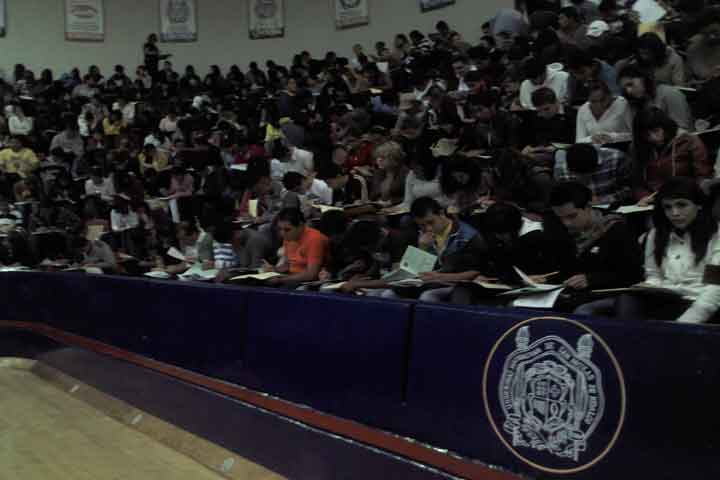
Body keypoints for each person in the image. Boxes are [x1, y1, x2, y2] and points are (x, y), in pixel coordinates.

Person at [618, 177, 720, 323]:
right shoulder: (657, 234)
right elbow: (654, 276)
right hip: (668, 297)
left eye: (682, 205)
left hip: (701, 302)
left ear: (698, 205)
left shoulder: (717, 235)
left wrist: (682, 324)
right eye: (668, 207)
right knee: (628, 299)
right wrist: (647, 286)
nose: (675, 213)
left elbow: (715, 289)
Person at [549, 182, 644, 312]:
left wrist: (591, 279)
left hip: (610, 294)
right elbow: (564, 269)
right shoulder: (559, 231)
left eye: (572, 216)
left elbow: (633, 274)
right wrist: (545, 278)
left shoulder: (616, 230)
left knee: (582, 311)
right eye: (561, 218)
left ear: (588, 207)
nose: (567, 223)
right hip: (575, 294)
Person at [631, 108, 710, 205]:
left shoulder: (688, 141)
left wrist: (689, 195)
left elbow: (702, 176)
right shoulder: (640, 148)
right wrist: (643, 196)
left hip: (686, 198)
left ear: (665, 127)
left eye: (656, 131)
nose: (652, 137)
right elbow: (638, 183)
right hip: (655, 202)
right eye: (646, 134)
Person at [264, 208, 329, 287]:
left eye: (287, 230)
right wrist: (274, 269)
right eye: (280, 229)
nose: (282, 233)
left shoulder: (315, 239)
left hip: (306, 281)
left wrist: (281, 279)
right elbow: (288, 265)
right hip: (291, 276)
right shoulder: (288, 237)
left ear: (301, 226)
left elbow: (311, 274)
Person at [617, 65, 693, 132]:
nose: (628, 91)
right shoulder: (633, 103)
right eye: (625, 89)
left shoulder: (670, 93)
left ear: (643, 78)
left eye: (630, 84)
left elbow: (682, 130)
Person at [554, 143, 632, 204]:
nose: (585, 178)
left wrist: (604, 200)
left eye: (588, 174)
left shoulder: (617, 158)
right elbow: (564, 199)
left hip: (616, 205)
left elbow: (629, 189)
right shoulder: (562, 170)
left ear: (597, 165)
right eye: (579, 175)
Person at [616, 32, 687, 87]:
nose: (643, 57)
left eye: (646, 53)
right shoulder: (637, 61)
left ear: (656, 51)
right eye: (641, 53)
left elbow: (679, 86)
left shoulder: (674, 59)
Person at [369, 141, 409, 205]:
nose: (379, 160)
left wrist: (391, 202)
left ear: (395, 159)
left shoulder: (406, 173)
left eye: (383, 157)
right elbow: (373, 196)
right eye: (377, 157)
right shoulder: (378, 172)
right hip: (379, 207)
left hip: (398, 208)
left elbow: (409, 198)